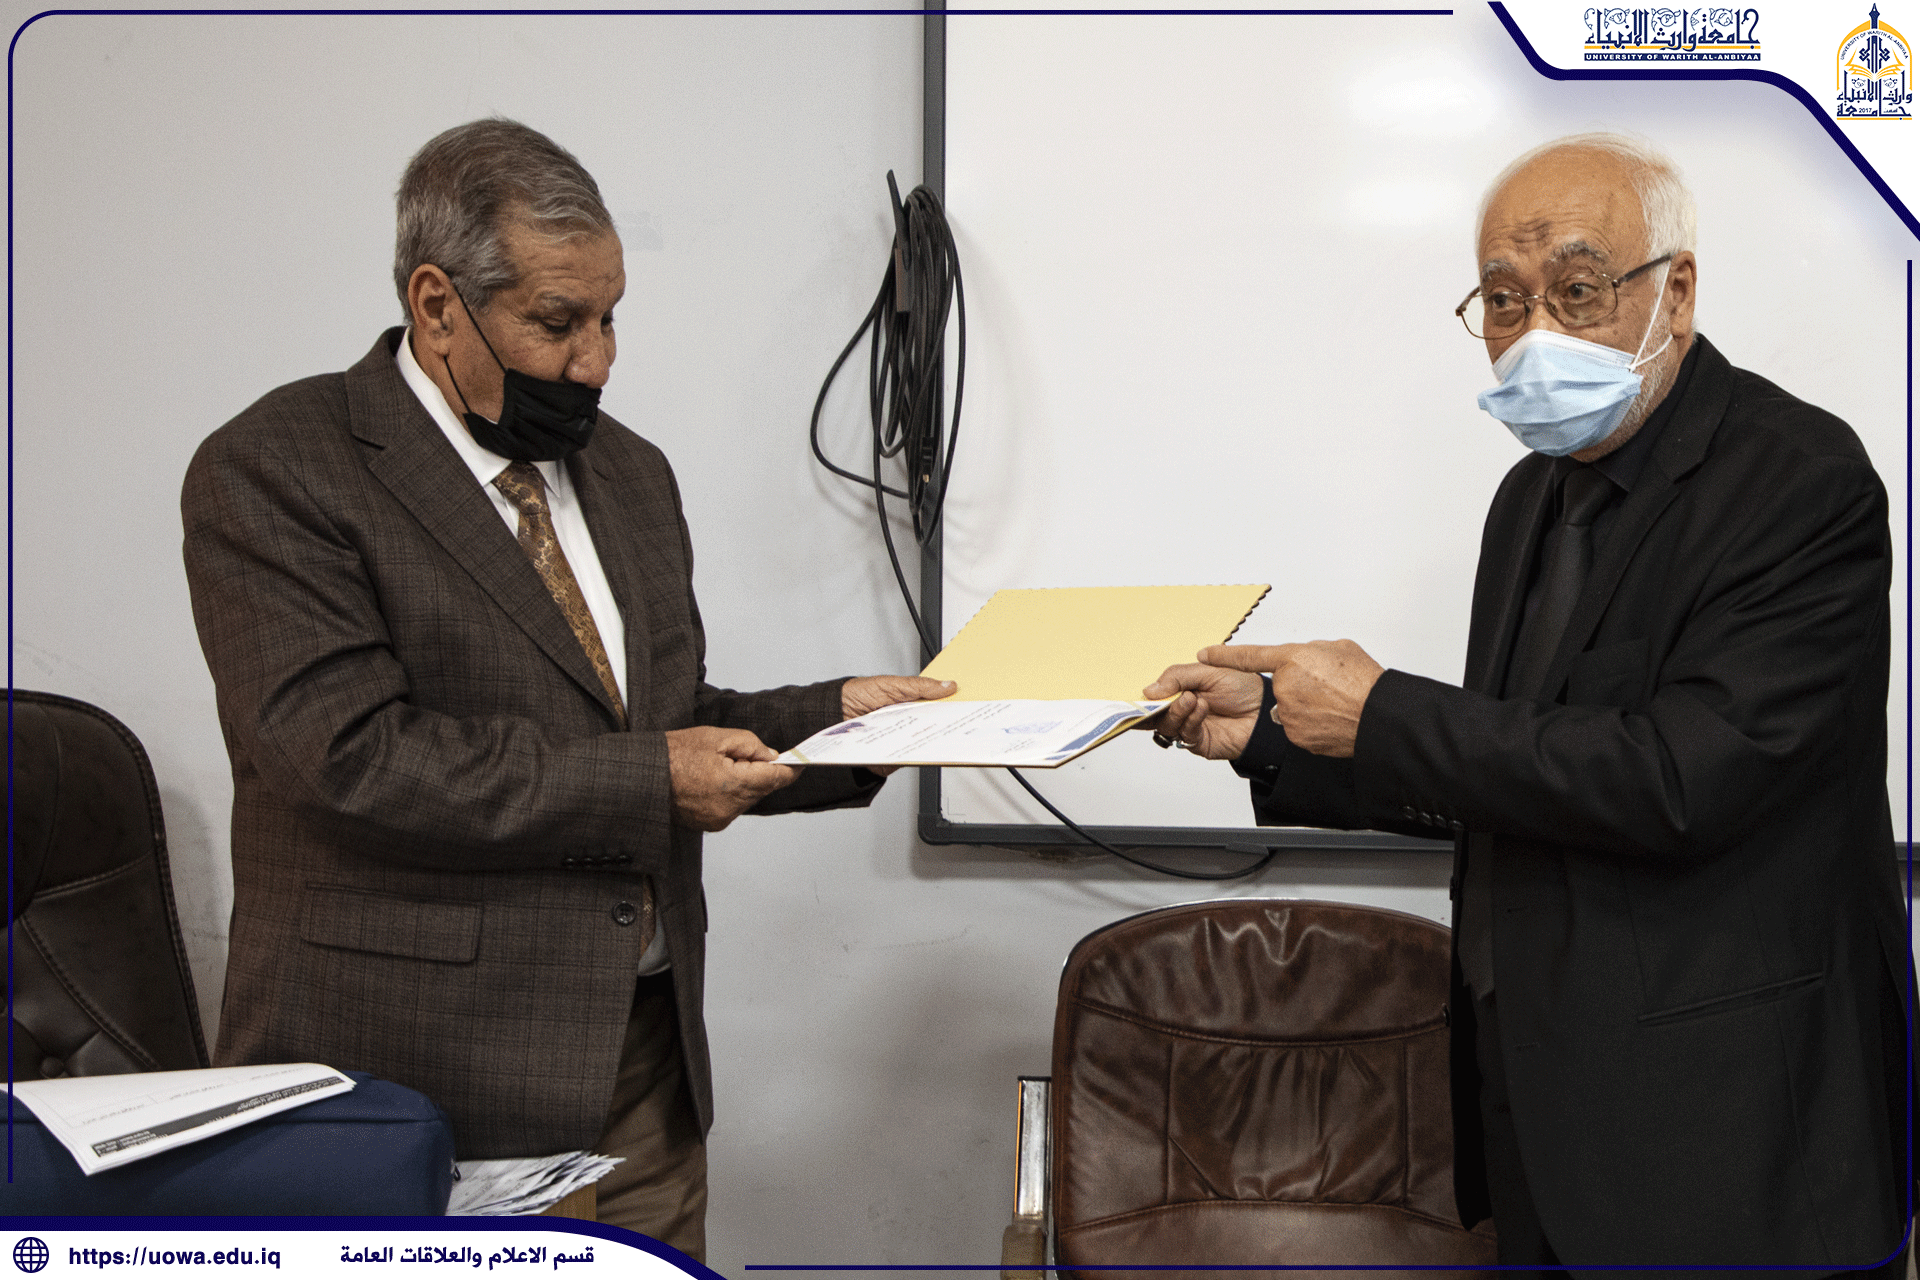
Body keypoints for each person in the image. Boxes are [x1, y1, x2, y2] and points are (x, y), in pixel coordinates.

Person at [1145, 133, 1912, 1274]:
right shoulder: (1529, 499)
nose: (1536, 331)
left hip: (1733, 1138)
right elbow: (1509, 776)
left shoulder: (1798, 478)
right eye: (1504, 300)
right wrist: (1270, 735)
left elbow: (1680, 778)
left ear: (1676, 292)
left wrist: (1385, 709)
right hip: (1544, 1124)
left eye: (1579, 289)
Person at [180, 118, 949, 1255]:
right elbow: (346, 757)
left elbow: (661, 722)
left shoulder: (629, 472)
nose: (597, 361)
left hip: (642, 1072)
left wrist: (839, 721)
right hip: (417, 1086)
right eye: (558, 322)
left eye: (611, 316)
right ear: (436, 305)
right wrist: (653, 777)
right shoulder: (279, 466)